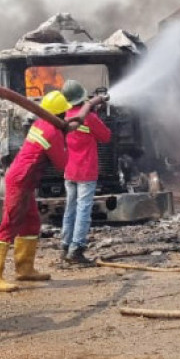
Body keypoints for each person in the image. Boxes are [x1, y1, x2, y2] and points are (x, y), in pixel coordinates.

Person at [0, 89, 94, 291]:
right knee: (10, 224)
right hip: (20, 181)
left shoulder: (42, 123)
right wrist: (66, 138)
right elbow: (62, 163)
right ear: (60, 114)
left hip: (25, 180)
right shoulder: (52, 131)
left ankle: (25, 269)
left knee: (31, 223)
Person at [59, 80, 111, 264]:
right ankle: (77, 249)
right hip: (86, 171)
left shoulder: (67, 115)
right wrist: (96, 113)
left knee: (70, 209)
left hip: (69, 170)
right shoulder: (89, 118)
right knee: (83, 210)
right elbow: (106, 136)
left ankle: (65, 246)